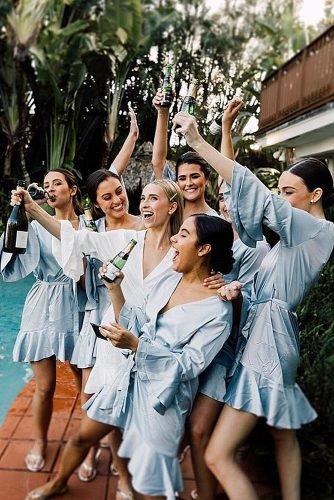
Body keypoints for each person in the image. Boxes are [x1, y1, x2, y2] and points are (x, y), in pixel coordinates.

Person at [13, 177, 223, 499]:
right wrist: (32, 208)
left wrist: (227, 289)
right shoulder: (129, 241)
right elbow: (77, 238)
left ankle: (133, 477)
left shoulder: (182, 257)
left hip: (154, 355)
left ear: (171, 207)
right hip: (116, 340)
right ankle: (59, 481)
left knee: (145, 449)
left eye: (154, 198)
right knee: (90, 426)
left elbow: (203, 287)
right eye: (144, 198)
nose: (145, 204)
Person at [172, 109, 334, 500]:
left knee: (217, 454)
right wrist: (236, 287)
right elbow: (243, 217)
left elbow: (250, 192)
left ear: (316, 195)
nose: (280, 198)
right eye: (278, 190)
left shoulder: (318, 230)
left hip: (268, 345)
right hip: (272, 338)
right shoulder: (288, 240)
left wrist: (198, 142)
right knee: (282, 433)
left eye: (288, 192)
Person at [96, 213, 235, 499]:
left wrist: (137, 347)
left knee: (154, 484)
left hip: (165, 403)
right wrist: (115, 289)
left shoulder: (218, 311)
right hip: (135, 388)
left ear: (204, 249)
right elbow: (138, 325)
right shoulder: (168, 280)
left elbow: (188, 366)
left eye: (183, 234)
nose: (173, 238)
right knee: (138, 471)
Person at [188, 99, 269, 500]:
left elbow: (232, 177)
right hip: (199, 338)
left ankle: (210, 491)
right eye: (222, 205)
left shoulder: (251, 248)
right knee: (197, 432)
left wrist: (223, 128)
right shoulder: (208, 239)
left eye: (230, 203)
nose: (226, 206)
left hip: (232, 348)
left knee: (205, 432)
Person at [71, 107, 141, 483]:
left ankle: (119, 459)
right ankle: (99, 451)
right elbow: (106, 178)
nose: (116, 200)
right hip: (96, 318)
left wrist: (132, 137)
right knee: (92, 396)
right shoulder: (92, 229)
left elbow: (112, 176)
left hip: (130, 317)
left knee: (123, 394)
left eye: (119, 193)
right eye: (106, 198)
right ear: (96, 204)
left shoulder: (145, 224)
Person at [0, 168, 86, 473]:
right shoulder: (34, 226)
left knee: (83, 383)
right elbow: (9, 249)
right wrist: (18, 211)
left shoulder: (88, 225)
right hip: (41, 303)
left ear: (72, 190)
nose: (50, 189)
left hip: (76, 303)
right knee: (45, 386)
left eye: (57, 183)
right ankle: (39, 441)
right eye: (46, 185)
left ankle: (87, 445)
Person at [152, 90, 218, 218]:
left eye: (194, 176)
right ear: (176, 181)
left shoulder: (214, 220)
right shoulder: (172, 210)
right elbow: (158, 163)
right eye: (182, 178)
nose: (188, 183)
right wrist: (162, 111)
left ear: (206, 179)